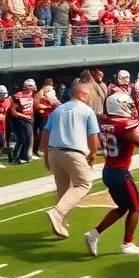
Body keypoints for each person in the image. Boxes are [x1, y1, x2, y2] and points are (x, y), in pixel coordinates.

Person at [85, 92, 139, 257]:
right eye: (127, 105)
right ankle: (127, 244)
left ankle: (94, 234)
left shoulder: (105, 121)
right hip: (119, 172)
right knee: (135, 208)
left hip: (108, 171)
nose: (131, 108)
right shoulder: (124, 125)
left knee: (123, 207)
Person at [42, 82, 101, 239]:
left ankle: (61, 222)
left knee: (63, 188)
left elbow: (45, 133)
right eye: (88, 95)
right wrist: (93, 154)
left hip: (54, 152)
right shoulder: (87, 111)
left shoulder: (58, 110)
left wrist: (46, 155)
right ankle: (57, 213)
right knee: (83, 184)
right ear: (83, 94)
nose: (90, 98)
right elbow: (93, 136)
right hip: (74, 153)